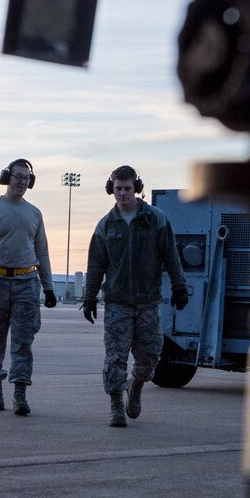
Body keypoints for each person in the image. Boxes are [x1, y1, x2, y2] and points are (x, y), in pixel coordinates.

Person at [81, 165, 188, 427]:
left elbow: (171, 256)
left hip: (148, 301)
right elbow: (96, 265)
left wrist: (179, 286)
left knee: (150, 356)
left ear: (136, 189)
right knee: (115, 358)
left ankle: (136, 385)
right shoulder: (105, 225)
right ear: (111, 189)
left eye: (127, 188)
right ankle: (116, 406)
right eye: (118, 189)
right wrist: (90, 297)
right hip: (117, 302)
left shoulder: (156, 219)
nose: (123, 194)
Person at [0, 158, 57, 415]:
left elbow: (42, 252)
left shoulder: (35, 213)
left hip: (26, 283)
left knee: (23, 341)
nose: (22, 181)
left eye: (26, 178)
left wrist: (49, 287)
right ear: (6, 177)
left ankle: (20, 394)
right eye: (17, 176)